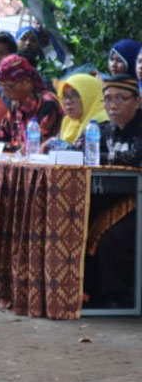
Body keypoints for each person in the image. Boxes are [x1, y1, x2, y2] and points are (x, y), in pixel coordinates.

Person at [82, 74, 142, 307]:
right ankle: (89, 291)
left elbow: (134, 157)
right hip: (115, 195)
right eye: (107, 99)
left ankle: (115, 296)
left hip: (137, 198)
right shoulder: (104, 129)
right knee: (82, 218)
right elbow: (81, 150)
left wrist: (103, 157)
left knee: (112, 237)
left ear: (137, 102)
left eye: (120, 98)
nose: (113, 105)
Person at [0, 54, 62, 152]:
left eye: (9, 86)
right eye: (2, 86)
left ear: (27, 82)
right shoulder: (16, 105)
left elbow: (38, 144)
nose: (5, 91)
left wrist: (11, 149)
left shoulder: (47, 103)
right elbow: (1, 135)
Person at [47, 74, 110, 149]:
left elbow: (80, 154)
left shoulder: (101, 124)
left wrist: (50, 144)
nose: (68, 101)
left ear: (89, 97)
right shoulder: (68, 122)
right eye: (65, 96)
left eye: (75, 95)